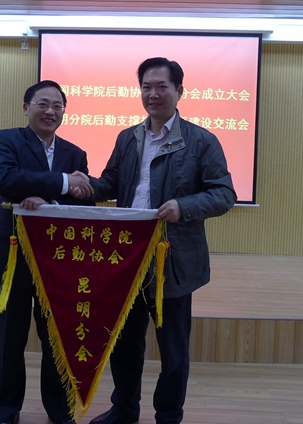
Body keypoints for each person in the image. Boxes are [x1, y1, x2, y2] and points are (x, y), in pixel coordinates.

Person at [82, 57, 236, 424]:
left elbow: (224, 194)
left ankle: (168, 415)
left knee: (173, 353)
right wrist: (80, 184)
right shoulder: (128, 137)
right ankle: (124, 410)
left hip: (174, 262)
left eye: (161, 86)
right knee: (124, 344)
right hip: (127, 258)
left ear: (179, 91)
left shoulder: (201, 140)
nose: (153, 94)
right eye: (146, 87)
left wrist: (184, 206)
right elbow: (111, 183)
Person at [0, 80, 93, 424]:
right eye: (43, 104)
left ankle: (59, 410)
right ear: (26, 108)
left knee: (56, 338)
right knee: (8, 339)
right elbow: (6, 181)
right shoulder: (5, 139)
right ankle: (5, 411)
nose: (50, 111)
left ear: (64, 112)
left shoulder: (76, 154)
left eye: (57, 106)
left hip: (58, 261)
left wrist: (49, 199)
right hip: (11, 255)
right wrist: (63, 183)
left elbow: (83, 201)